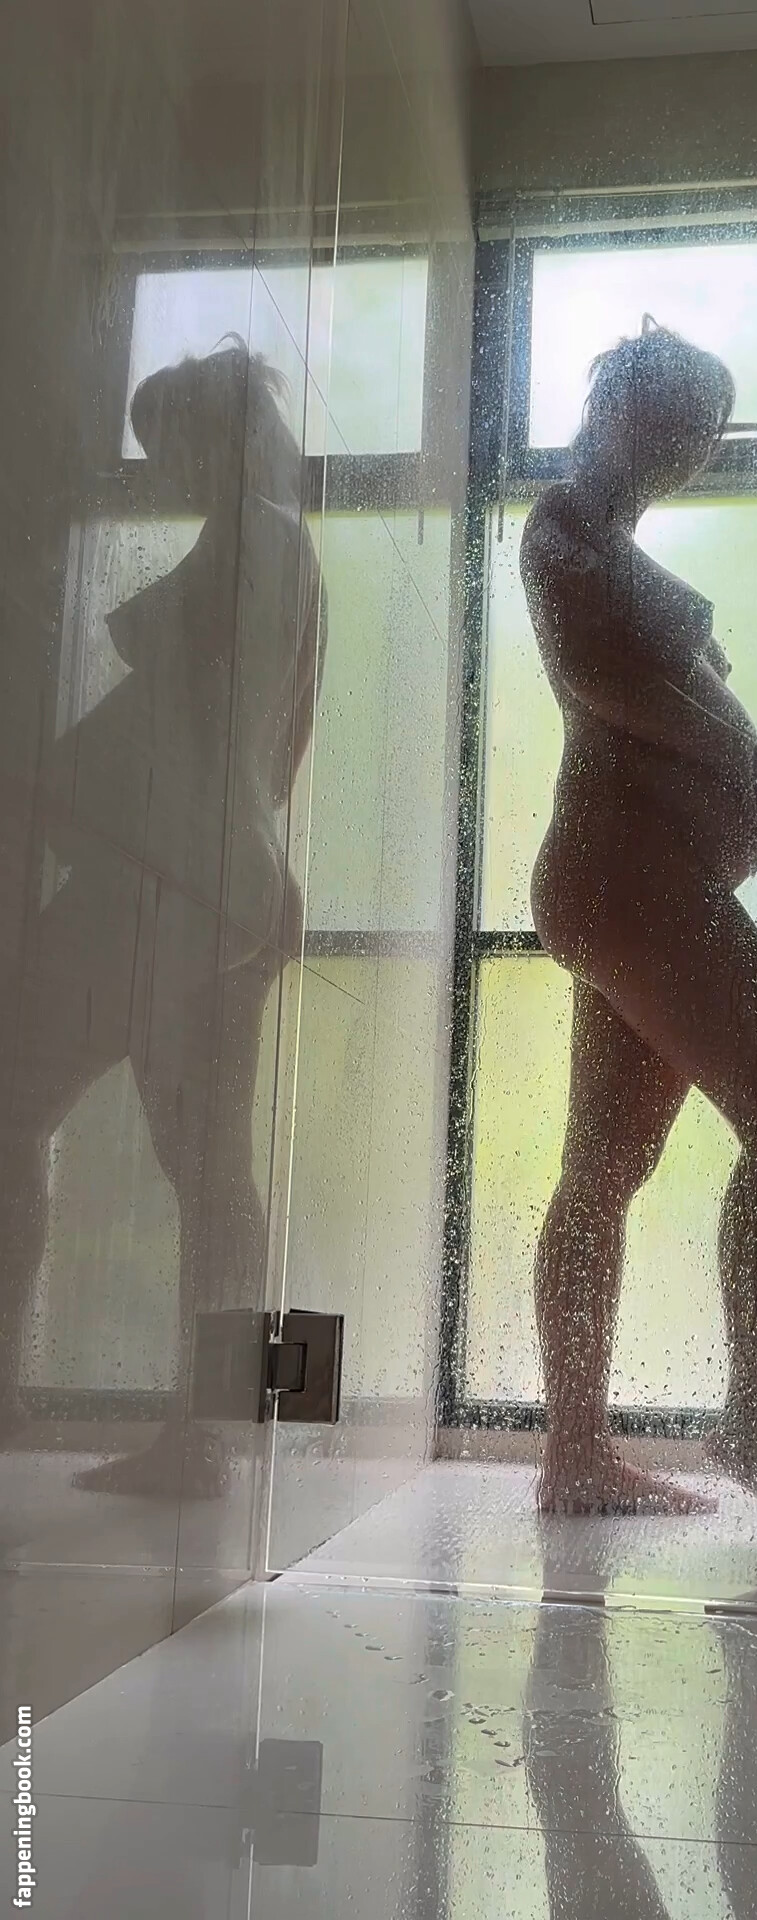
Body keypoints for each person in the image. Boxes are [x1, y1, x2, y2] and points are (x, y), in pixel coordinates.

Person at [520, 318, 757, 1546]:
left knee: (602, 1172)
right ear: (619, 406)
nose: (694, 447)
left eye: (708, 430)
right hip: (629, 878)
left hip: (633, 880)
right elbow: (598, 676)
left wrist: (736, 774)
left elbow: (632, 683)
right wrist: (738, 758)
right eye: (679, 420)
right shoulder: (563, 527)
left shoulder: (603, 537)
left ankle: (573, 1456)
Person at [0, 339, 325, 1495]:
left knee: (20, 1107)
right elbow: (258, 749)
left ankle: (47, 1397)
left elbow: (172, 706)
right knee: (214, 1172)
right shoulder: (290, 552)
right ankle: (218, 1434)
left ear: (212, 434)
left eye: (169, 441)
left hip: (165, 884)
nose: (164, 468)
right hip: (231, 880)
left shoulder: (248, 539)